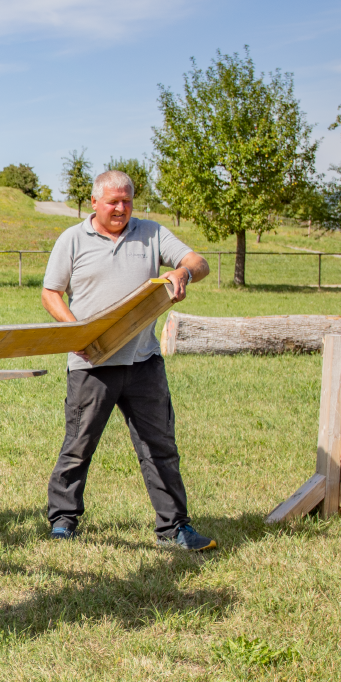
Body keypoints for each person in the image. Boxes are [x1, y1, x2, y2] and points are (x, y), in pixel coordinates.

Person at [41, 169, 217, 549]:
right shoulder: (72, 239)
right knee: (79, 443)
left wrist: (183, 271)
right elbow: (51, 293)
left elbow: (198, 261)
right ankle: (63, 519)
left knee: (160, 446)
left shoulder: (152, 233)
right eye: (113, 202)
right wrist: (77, 332)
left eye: (127, 201)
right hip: (92, 364)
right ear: (94, 203)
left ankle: (174, 527)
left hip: (143, 362)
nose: (121, 208)